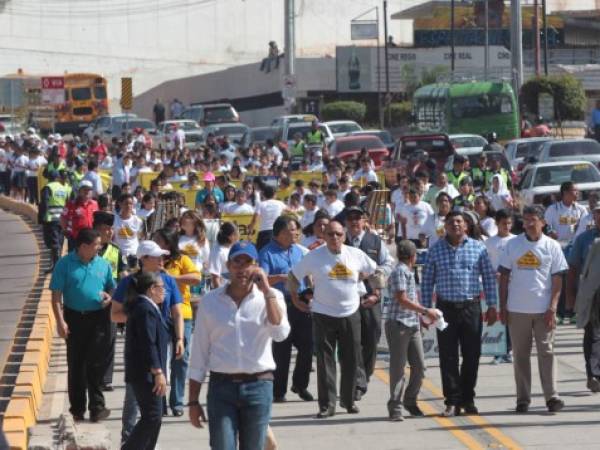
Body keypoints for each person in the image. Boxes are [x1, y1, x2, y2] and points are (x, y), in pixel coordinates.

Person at [188, 241, 290, 449]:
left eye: (248, 263)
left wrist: (267, 291)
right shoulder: (210, 302)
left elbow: (279, 334)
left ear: (257, 266)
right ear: (228, 266)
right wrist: (193, 401)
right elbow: (199, 353)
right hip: (221, 388)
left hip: (259, 387)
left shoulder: (272, 297)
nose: (242, 269)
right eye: (237, 262)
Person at [289, 221, 377, 418]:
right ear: (324, 236)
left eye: (338, 234)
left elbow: (375, 272)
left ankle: (348, 401)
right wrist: (295, 299)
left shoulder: (355, 254)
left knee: (351, 358)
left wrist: (376, 293)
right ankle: (327, 405)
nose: (334, 238)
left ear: (344, 236)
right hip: (323, 314)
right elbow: (293, 277)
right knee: (325, 360)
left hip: (351, 312)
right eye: (330, 234)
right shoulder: (314, 256)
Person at [421, 211, 498, 416]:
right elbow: (428, 281)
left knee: (472, 355)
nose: (455, 225)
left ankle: (468, 399)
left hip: (470, 308)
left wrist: (492, 305)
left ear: (466, 226)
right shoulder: (435, 250)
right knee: (448, 356)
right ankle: (452, 401)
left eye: (459, 221)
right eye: (451, 222)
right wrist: (425, 311)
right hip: (444, 310)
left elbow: (489, 278)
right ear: (444, 226)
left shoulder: (478, 248)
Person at [111, 240, 184, 444]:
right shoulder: (130, 284)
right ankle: (129, 440)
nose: (162, 259)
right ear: (143, 259)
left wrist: (179, 338)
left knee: (155, 409)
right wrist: (140, 318)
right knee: (136, 400)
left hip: (161, 347)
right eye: (156, 256)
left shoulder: (167, 281)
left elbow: (177, 312)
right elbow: (114, 314)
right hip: (143, 354)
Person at [498, 205, 568, 413]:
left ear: (543, 222)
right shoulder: (512, 245)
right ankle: (523, 398)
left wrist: (553, 308)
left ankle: (552, 396)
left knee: (546, 352)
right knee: (520, 355)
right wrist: (503, 306)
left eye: (533, 220)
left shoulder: (552, 246)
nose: (528, 224)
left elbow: (557, 279)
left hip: (543, 310)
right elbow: (503, 277)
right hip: (517, 309)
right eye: (526, 220)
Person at [49, 228, 116, 422]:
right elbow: (56, 297)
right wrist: (60, 322)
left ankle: (97, 407)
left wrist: (109, 296)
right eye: (96, 245)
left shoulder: (103, 264)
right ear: (84, 247)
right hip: (74, 319)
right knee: (77, 364)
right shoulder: (64, 265)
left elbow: (111, 286)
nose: (99, 248)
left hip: (98, 319)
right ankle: (77, 409)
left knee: (96, 363)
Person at [258, 216, 313, 403]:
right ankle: (278, 391)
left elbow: (308, 275)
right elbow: (261, 280)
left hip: (302, 303)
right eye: (291, 229)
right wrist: (281, 277)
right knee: (282, 350)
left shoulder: (300, 252)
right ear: (279, 233)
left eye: (297, 229)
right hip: (281, 305)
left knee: (308, 346)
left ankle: (300, 384)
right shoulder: (267, 253)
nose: (296, 233)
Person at [344, 206, 394, 400]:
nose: (354, 222)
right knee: (353, 341)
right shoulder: (341, 240)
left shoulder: (374, 241)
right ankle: (358, 381)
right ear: (346, 222)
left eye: (358, 218)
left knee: (372, 339)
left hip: (371, 297)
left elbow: (388, 263)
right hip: (347, 300)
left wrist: (374, 277)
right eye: (351, 218)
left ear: (364, 221)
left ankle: (365, 373)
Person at [386, 240, 437, 421]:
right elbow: (402, 299)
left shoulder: (407, 271)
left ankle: (409, 400)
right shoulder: (401, 271)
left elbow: (408, 300)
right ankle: (395, 406)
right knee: (398, 368)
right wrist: (425, 311)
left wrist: (420, 318)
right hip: (399, 324)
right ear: (413, 257)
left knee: (420, 366)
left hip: (412, 324)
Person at [153, 228, 201, 416]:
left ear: (168, 243)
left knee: (181, 358)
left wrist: (173, 278)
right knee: (159, 358)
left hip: (183, 313)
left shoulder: (181, 259)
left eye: (159, 240)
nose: (155, 243)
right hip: (158, 315)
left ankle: (177, 401)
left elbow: (196, 278)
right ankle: (160, 401)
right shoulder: (151, 259)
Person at [121, 271, 169, 450]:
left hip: (147, 373)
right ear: (151, 289)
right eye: (161, 287)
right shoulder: (144, 309)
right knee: (152, 416)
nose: (164, 291)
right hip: (146, 374)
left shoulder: (147, 307)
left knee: (154, 417)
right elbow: (148, 343)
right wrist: (157, 371)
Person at [566, 203, 600, 392]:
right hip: (591, 294)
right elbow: (573, 269)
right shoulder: (584, 239)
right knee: (592, 334)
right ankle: (592, 375)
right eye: (598, 214)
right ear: (594, 216)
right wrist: (570, 297)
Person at [93, 211, 128, 392]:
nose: (109, 233)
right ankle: (91, 376)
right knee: (92, 340)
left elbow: (123, 274)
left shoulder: (116, 250)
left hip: (112, 299)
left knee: (109, 340)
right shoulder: (89, 250)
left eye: (110, 229)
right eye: (105, 229)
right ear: (96, 230)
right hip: (91, 301)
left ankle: (105, 379)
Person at [484, 209, 515, 365]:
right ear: (496, 223)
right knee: (496, 318)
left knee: (509, 316)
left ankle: (509, 350)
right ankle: (497, 351)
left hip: (512, 285)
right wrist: (493, 274)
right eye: (504, 223)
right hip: (494, 285)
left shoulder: (516, 240)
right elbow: (486, 264)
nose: (507, 226)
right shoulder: (489, 243)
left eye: (509, 223)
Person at [38, 170, 71, 273]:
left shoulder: (48, 188)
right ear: (57, 177)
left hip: (51, 219)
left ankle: (56, 266)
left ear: (48, 178)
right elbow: (68, 203)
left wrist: (41, 219)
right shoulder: (63, 188)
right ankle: (56, 265)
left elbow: (44, 204)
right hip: (61, 219)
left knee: (53, 243)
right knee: (59, 242)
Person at [61, 180, 98, 252]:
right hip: (75, 238)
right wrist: (64, 229)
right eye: (84, 189)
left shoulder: (95, 204)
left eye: (89, 190)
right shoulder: (71, 204)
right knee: (74, 259)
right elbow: (63, 217)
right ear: (79, 191)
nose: (87, 191)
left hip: (91, 238)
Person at [397, 183, 435, 248]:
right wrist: (403, 237)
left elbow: (433, 218)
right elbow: (402, 224)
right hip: (410, 238)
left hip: (424, 237)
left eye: (415, 197)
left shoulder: (426, 206)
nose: (413, 199)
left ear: (419, 196)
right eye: (411, 197)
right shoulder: (405, 208)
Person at [249, 185, 287, 250]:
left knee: (261, 253)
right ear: (274, 194)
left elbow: (254, 220)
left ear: (263, 194)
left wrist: (250, 232)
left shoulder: (261, 204)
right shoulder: (280, 203)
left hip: (264, 233)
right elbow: (291, 211)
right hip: (277, 232)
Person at [113, 193, 144, 269]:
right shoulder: (114, 220)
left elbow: (140, 237)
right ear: (120, 204)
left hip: (134, 255)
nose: (128, 206)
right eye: (126, 203)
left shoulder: (138, 221)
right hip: (119, 255)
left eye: (131, 203)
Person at [208, 222, 239, 288]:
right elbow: (215, 277)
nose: (238, 236)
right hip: (223, 290)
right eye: (236, 234)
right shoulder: (218, 251)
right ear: (230, 236)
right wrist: (219, 295)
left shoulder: (231, 247)